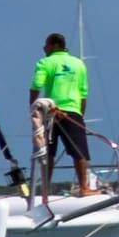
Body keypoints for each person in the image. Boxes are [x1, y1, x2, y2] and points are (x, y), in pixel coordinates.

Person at [28, 33, 95, 190]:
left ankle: (45, 189)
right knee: (80, 151)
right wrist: (80, 116)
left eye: (46, 45)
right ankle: (84, 187)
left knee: (48, 152)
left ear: (54, 45)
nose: (44, 48)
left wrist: (33, 108)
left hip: (50, 112)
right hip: (73, 112)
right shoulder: (79, 64)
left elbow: (36, 86)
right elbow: (83, 93)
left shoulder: (45, 62)